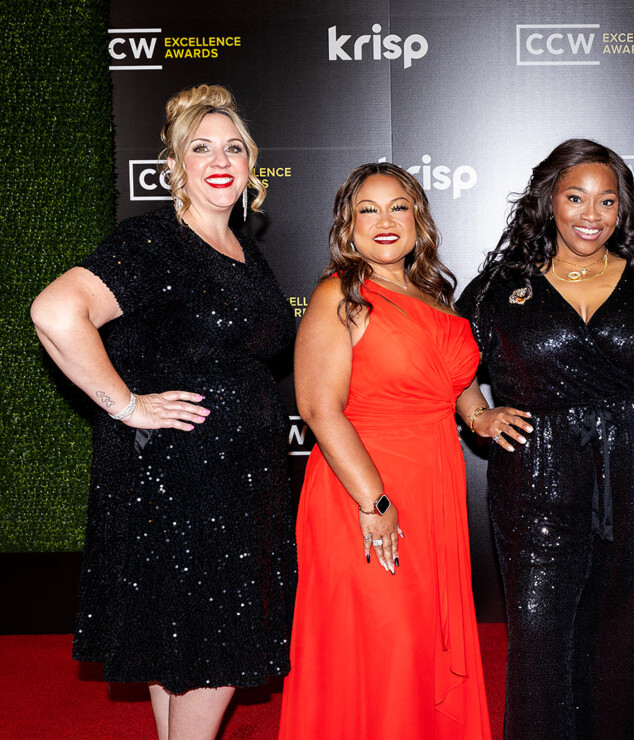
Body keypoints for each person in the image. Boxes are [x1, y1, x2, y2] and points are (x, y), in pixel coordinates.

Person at [30, 84, 296, 739]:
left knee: (181, 643)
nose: (220, 157)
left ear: (251, 162)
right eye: (200, 147)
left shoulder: (240, 247)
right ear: (174, 167)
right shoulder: (155, 241)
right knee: (214, 641)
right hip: (184, 478)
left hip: (232, 477)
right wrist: (124, 404)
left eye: (233, 146)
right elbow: (56, 311)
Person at [456, 139, 634, 739]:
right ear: (549, 202)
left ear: (623, 210)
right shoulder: (498, 288)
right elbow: (449, 368)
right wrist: (479, 416)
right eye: (576, 197)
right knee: (539, 636)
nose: (591, 214)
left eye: (607, 201)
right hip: (535, 479)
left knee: (632, 630)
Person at [279, 163, 492, 739]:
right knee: (384, 643)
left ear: (418, 219)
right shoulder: (338, 297)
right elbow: (320, 408)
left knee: (420, 642)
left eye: (398, 206)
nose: (384, 221)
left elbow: (449, 378)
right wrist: (374, 502)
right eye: (367, 210)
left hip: (434, 487)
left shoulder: (435, 296)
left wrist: (477, 412)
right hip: (363, 488)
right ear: (348, 227)